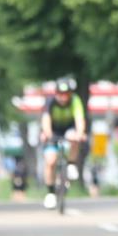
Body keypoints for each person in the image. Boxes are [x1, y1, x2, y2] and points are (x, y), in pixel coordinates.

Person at [40, 78, 87, 209]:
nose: (63, 97)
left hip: (69, 129)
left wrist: (80, 133)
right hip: (53, 130)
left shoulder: (75, 101)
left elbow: (79, 119)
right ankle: (50, 193)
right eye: (60, 94)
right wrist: (47, 134)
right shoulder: (50, 102)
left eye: (66, 94)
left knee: (74, 138)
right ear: (56, 93)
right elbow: (46, 120)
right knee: (50, 161)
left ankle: (71, 164)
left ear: (70, 94)